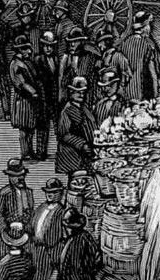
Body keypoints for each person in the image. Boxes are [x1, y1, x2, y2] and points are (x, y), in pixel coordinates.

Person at [0, 159, 34, 259]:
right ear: (10, 177)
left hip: (25, 237)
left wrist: (27, 227)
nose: (20, 178)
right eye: (16, 176)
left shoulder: (28, 193)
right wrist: (6, 231)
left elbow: (31, 213)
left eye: (22, 175)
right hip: (7, 238)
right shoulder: (3, 194)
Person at [9, 35, 43, 161]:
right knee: (24, 129)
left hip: (28, 101)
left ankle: (30, 151)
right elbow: (21, 83)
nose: (29, 51)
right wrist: (33, 92)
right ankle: (25, 152)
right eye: (26, 49)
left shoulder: (25, 63)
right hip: (22, 101)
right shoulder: (16, 64)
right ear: (20, 50)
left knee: (30, 127)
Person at [56, 76, 96, 178]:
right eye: (78, 92)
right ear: (70, 92)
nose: (81, 94)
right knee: (75, 181)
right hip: (72, 155)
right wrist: (82, 144)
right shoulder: (67, 110)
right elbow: (64, 134)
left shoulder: (84, 108)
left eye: (83, 92)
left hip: (85, 155)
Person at [120, 11, 160, 103]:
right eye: (149, 25)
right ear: (145, 26)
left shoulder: (125, 43)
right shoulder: (148, 44)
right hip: (142, 94)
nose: (150, 28)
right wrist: (155, 95)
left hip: (126, 93)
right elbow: (153, 73)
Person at [31, 178, 65, 280]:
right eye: (48, 192)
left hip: (50, 250)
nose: (49, 194)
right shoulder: (41, 207)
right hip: (36, 249)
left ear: (60, 194)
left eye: (54, 192)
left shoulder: (62, 211)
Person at [34, 31, 60, 161]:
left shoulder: (57, 59)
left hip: (55, 99)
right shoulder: (38, 60)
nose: (48, 48)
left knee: (57, 126)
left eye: (50, 46)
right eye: (45, 46)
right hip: (43, 99)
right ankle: (41, 151)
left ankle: (60, 150)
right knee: (42, 126)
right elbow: (37, 80)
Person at [57, 207, 100, 280]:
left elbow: (96, 258)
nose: (65, 229)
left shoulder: (82, 239)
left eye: (67, 227)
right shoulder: (71, 239)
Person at [58, 28, 97, 104]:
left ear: (82, 42)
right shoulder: (65, 59)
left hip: (84, 100)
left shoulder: (88, 58)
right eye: (71, 41)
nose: (72, 44)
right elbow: (62, 81)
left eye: (76, 41)